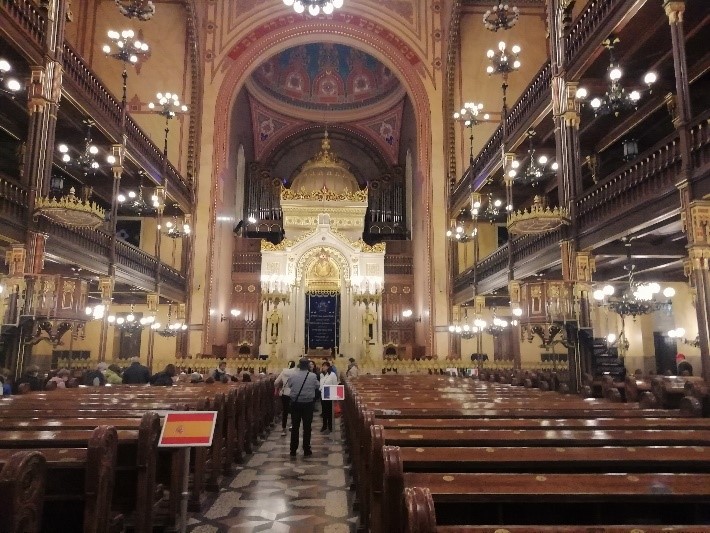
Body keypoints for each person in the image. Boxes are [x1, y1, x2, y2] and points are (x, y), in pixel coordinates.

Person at [285, 357, 319, 457]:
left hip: (295, 403)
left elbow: (290, 385)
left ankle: (293, 450)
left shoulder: (293, 375)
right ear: (308, 366)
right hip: (308, 404)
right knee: (307, 427)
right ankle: (306, 449)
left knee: (295, 427)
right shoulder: (312, 376)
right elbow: (317, 386)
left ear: (299, 365)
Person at [275, 361, 297, 436]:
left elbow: (276, 382)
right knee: (294, 410)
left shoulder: (283, 372)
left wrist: (279, 386)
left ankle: (284, 428)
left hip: (285, 393)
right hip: (293, 392)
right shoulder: (296, 373)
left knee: (285, 411)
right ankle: (292, 425)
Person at [319, 361, 338, 434]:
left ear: (328, 367)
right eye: (323, 366)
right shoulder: (321, 375)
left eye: (325, 366)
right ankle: (324, 426)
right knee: (324, 411)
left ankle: (330, 426)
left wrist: (335, 396)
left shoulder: (332, 375)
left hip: (329, 394)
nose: (323, 367)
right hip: (322, 394)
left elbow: (335, 385)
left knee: (329, 412)